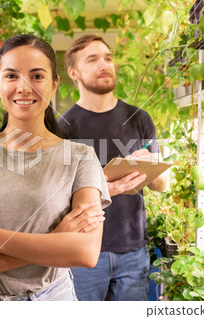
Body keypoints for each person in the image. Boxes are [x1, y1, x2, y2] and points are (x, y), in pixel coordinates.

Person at [0, 34, 111, 301]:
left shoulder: (81, 158)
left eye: (37, 76)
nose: (24, 87)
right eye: (11, 76)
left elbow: (84, 253)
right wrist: (55, 239)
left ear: (54, 85)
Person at [57, 34, 168, 301]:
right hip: (84, 251)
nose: (104, 64)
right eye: (92, 60)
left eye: (108, 58)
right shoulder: (63, 127)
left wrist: (150, 167)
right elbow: (57, 195)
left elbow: (162, 185)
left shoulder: (139, 119)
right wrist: (104, 186)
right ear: (74, 72)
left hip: (133, 251)